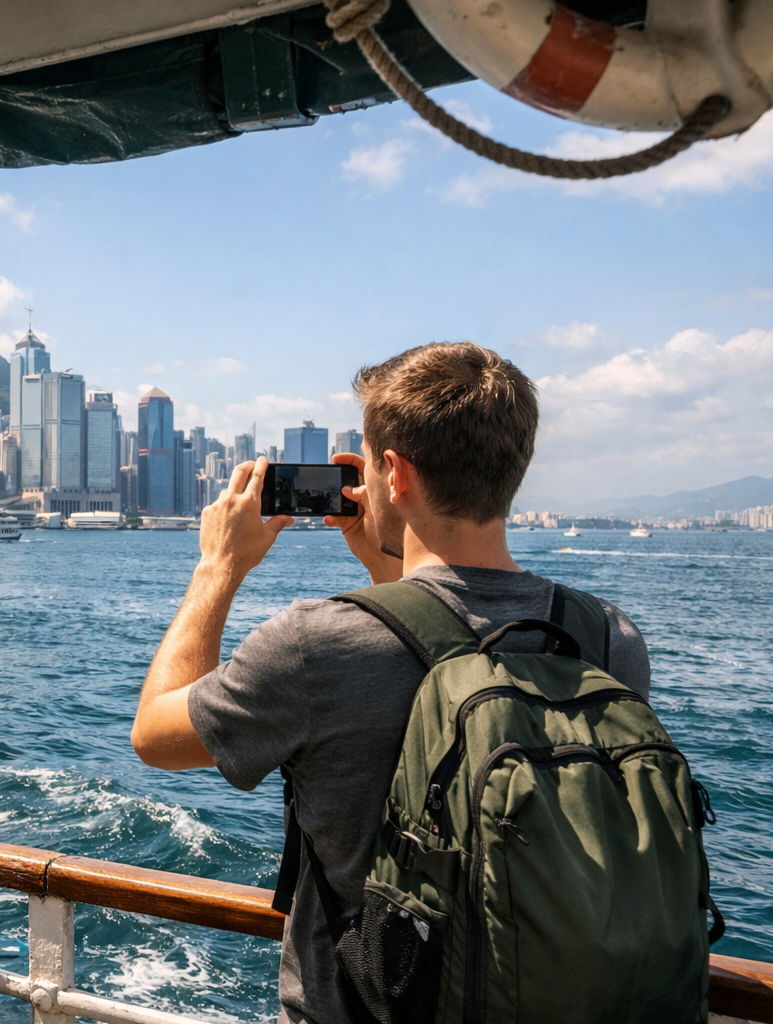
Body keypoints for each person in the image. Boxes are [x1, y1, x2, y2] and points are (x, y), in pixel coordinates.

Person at [130, 343, 650, 1024]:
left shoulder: (318, 644)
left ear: (394, 473)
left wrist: (217, 568)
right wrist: (385, 568)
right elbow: (431, 652)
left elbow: (156, 737)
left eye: (368, 460)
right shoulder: (608, 636)